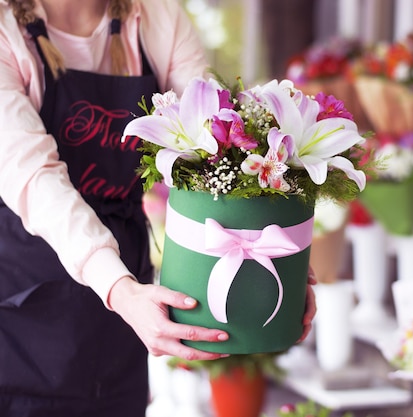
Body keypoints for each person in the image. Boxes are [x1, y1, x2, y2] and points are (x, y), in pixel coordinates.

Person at [0, 0, 316, 416]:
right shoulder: (7, 32)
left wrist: (275, 251)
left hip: (126, 316)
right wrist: (120, 289)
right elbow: (34, 177)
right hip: (26, 310)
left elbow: (214, 142)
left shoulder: (157, 18)